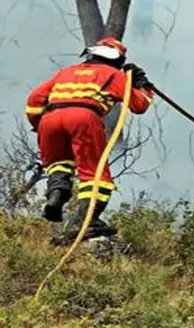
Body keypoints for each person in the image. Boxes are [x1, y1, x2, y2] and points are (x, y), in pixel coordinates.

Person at [25, 36, 153, 244]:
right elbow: (139, 105)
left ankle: (57, 193)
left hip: (49, 119)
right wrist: (142, 84)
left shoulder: (66, 72)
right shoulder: (113, 75)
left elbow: (34, 99)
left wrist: (38, 123)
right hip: (84, 117)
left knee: (59, 164)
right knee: (95, 174)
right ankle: (85, 220)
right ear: (118, 61)